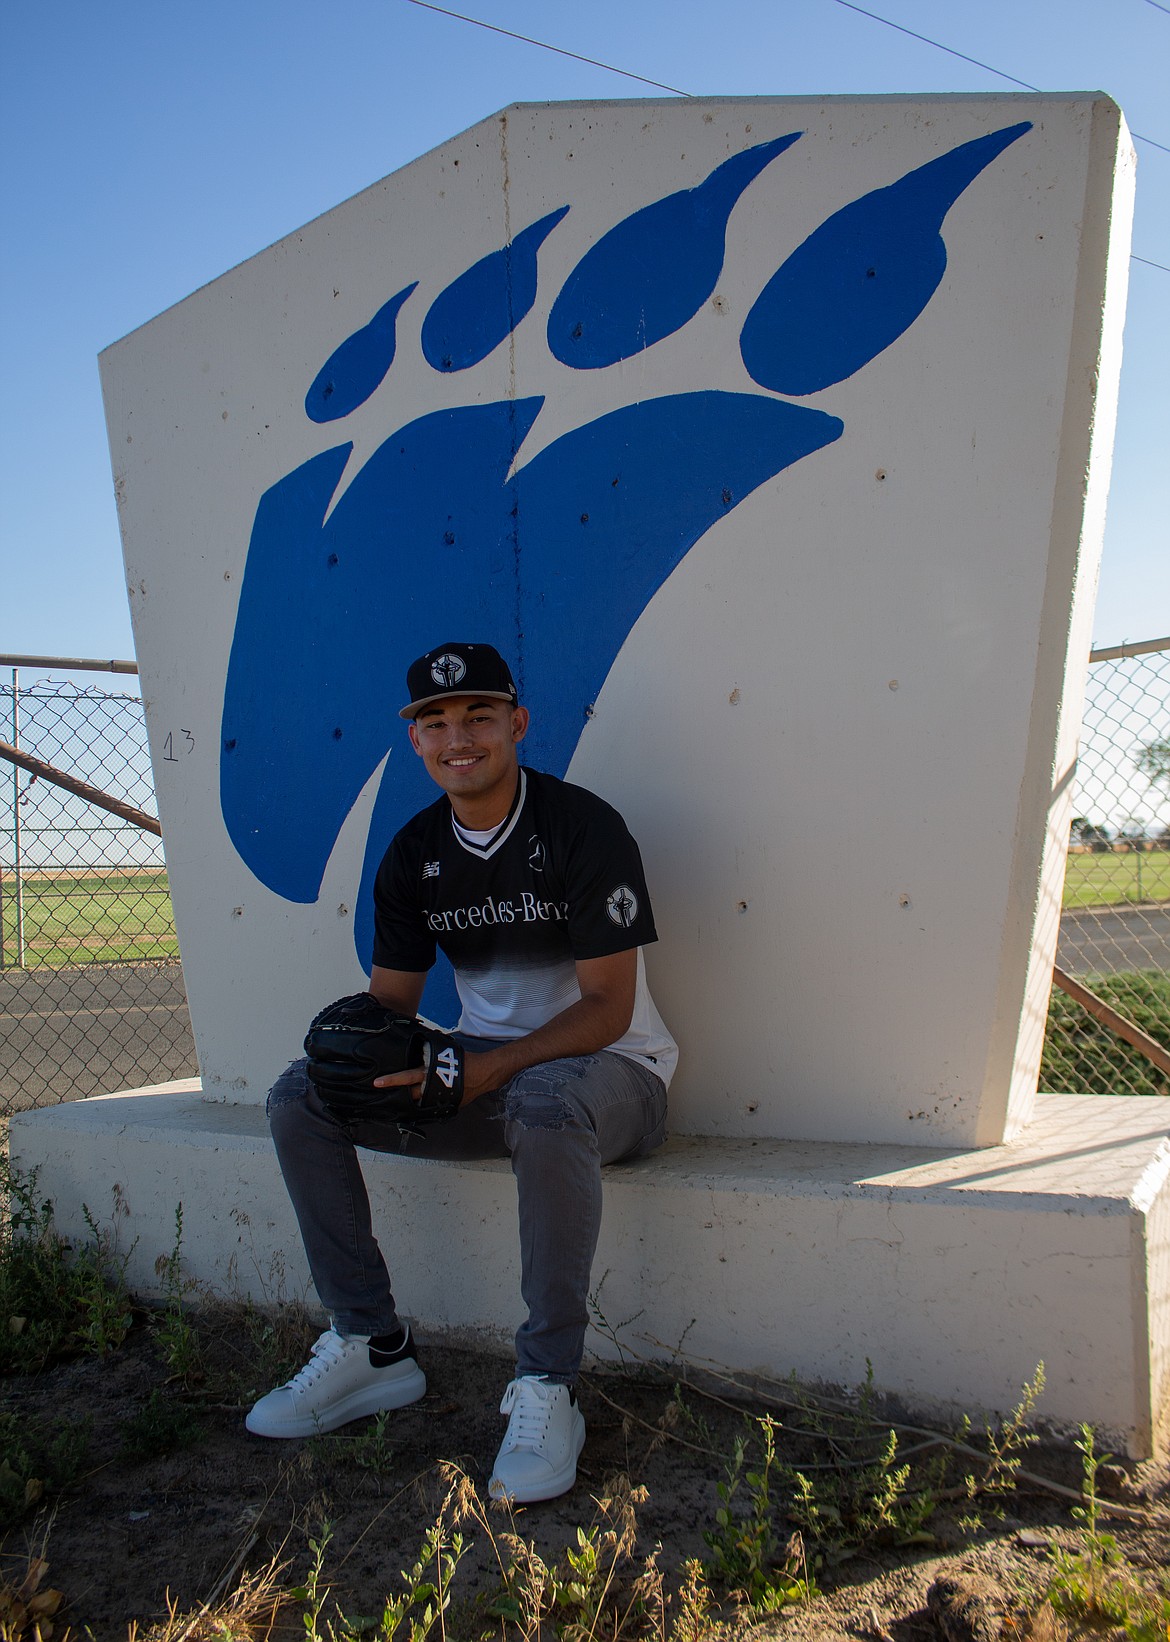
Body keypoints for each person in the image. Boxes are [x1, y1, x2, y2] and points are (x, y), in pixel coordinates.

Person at [246, 641, 677, 1503]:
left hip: (615, 1080)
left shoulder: (584, 826)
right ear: (415, 742)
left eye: (479, 715)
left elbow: (608, 1010)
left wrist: (483, 1070)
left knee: (549, 1098)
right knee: (302, 1094)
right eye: (435, 723)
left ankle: (548, 1385)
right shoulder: (413, 853)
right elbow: (393, 1008)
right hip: (491, 1083)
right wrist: (357, 1048)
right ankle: (371, 1346)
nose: (459, 738)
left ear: (517, 724)